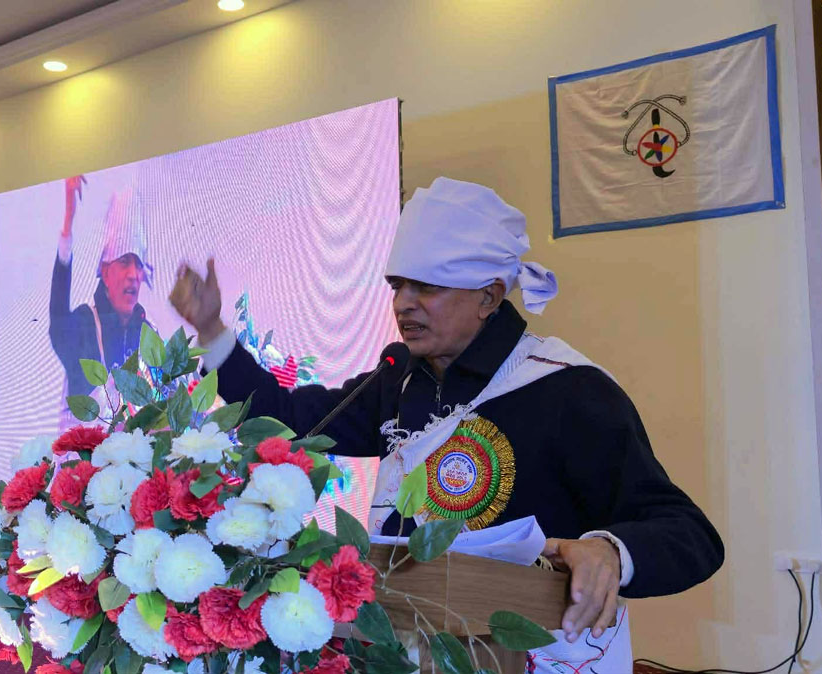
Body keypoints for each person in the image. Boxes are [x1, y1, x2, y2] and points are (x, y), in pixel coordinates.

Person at [170, 177, 723, 668]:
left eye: (427, 287)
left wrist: (610, 551)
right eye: (397, 285)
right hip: (403, 651)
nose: (404, 304)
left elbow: (689, 533)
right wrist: (213, 331)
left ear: (489, 296)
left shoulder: (567, 389)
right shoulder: (396, 379)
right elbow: (290, 421)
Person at [49, 174, 155, 398]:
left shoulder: (148, 332)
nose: (133, 275)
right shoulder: (84, 325)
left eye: (138, 265)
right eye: (124, 262)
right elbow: (58, 322)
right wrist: (68, 223)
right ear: (105, 273)